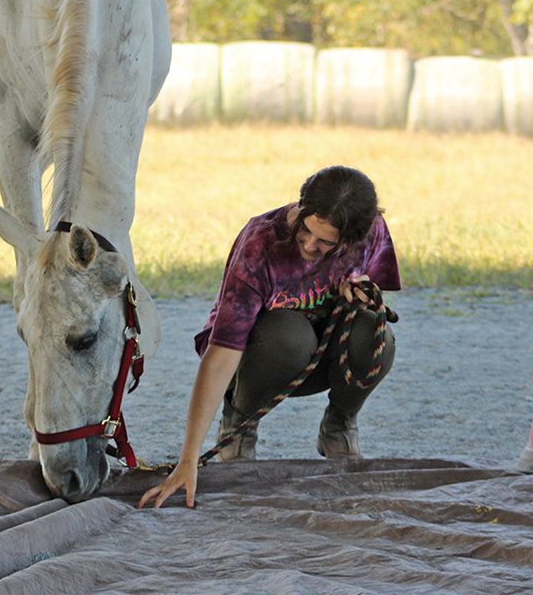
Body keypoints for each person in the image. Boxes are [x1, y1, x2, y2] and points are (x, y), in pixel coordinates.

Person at [138, 165, 400, 509]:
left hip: (319, 354)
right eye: (305, 230)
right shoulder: (261, 244)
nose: (308, 245)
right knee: (289, 338)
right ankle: (239, 427)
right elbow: (222, 354)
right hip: (261, 357)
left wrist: (358, 289)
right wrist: (188, 458)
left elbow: (371, 287)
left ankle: (339, 425)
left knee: (374, 332)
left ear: (351, 238)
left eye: (325, 242)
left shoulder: (372, 231)